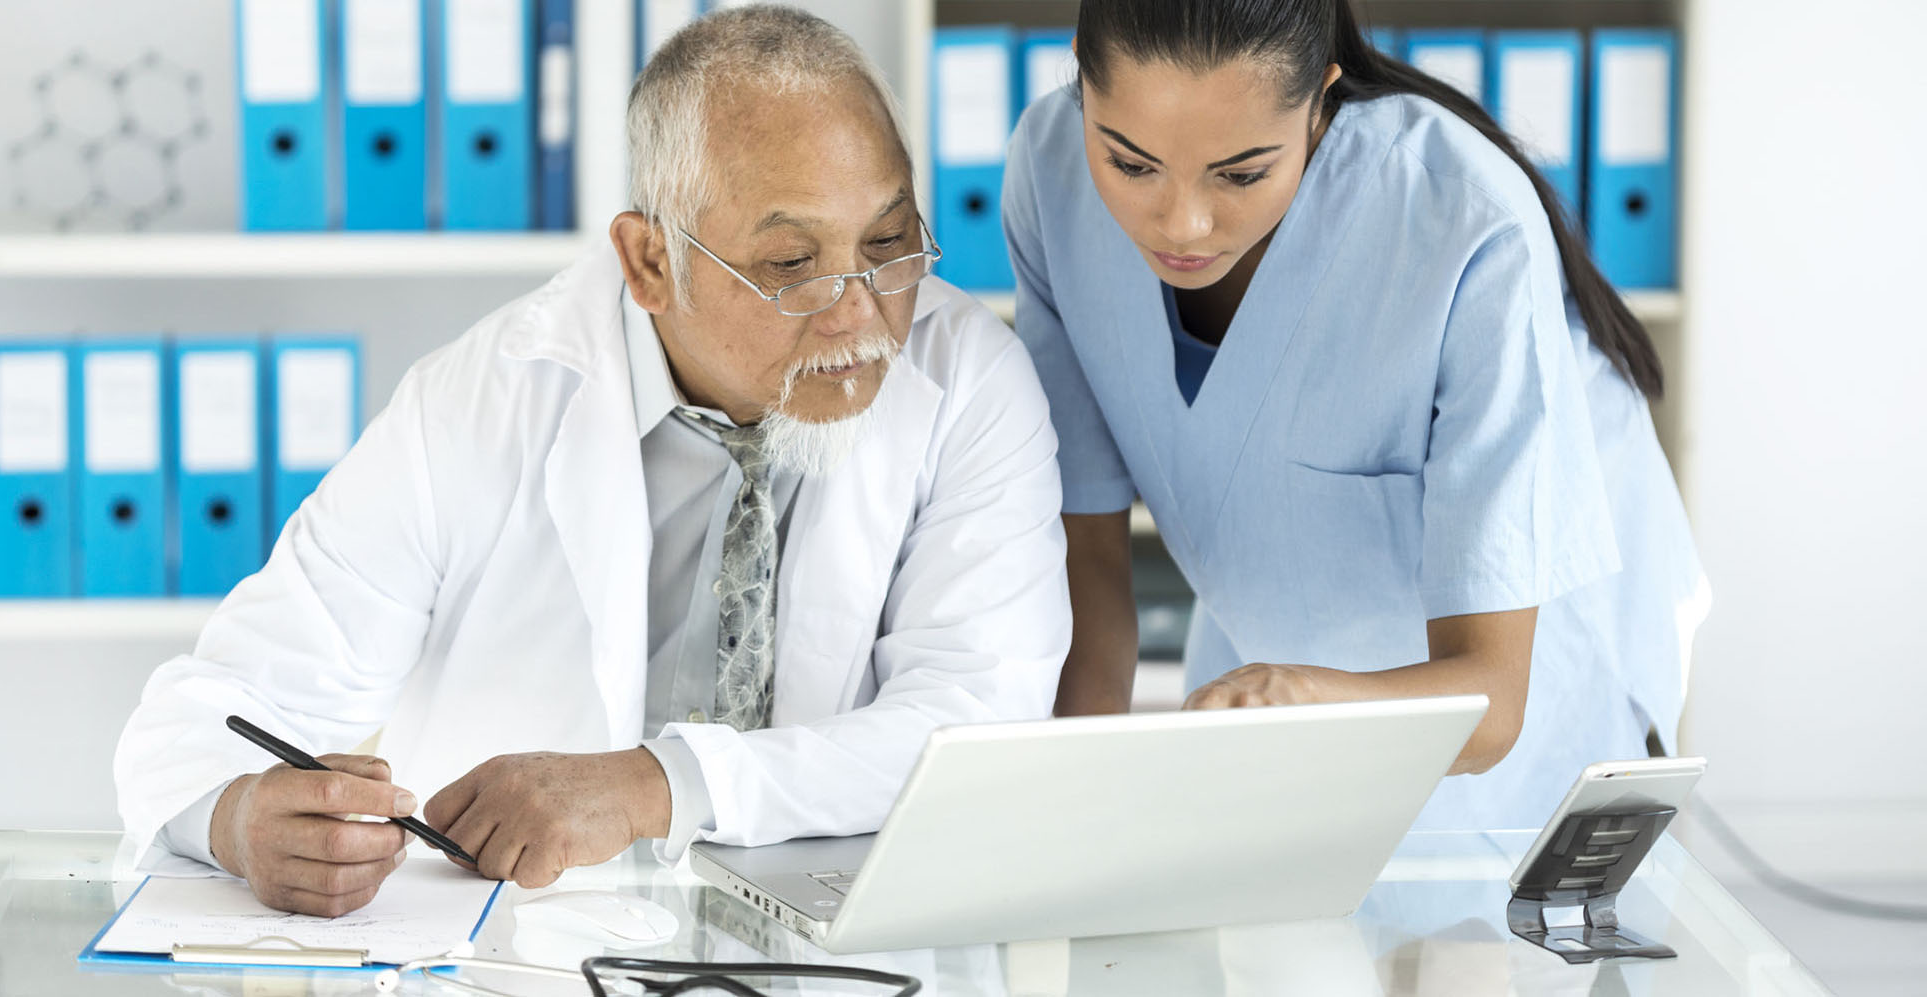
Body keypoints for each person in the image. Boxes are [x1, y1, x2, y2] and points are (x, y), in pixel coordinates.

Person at [113, 5, 1069, 916]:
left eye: (888, 242)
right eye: (792, 265)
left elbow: (974, 729)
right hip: (528, 955)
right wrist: (239, 818)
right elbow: (215, 709)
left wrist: (658, 784)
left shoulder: (971, 382)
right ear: (650, 261)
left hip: (850, 954)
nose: (861, 311)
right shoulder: (484, 399)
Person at [1004, 0, 1708, 829]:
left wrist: (1300, 697)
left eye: (1240, 173)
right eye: (1131, 165)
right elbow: (1088, 563)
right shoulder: (1049, 171)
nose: (1181, 224)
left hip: (1506, 752)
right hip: (1272, 697)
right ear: (1083, 90)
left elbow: (1490, 701)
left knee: (1478, 949)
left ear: (1320, 101)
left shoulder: (1461, 223)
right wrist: (1072, 817)